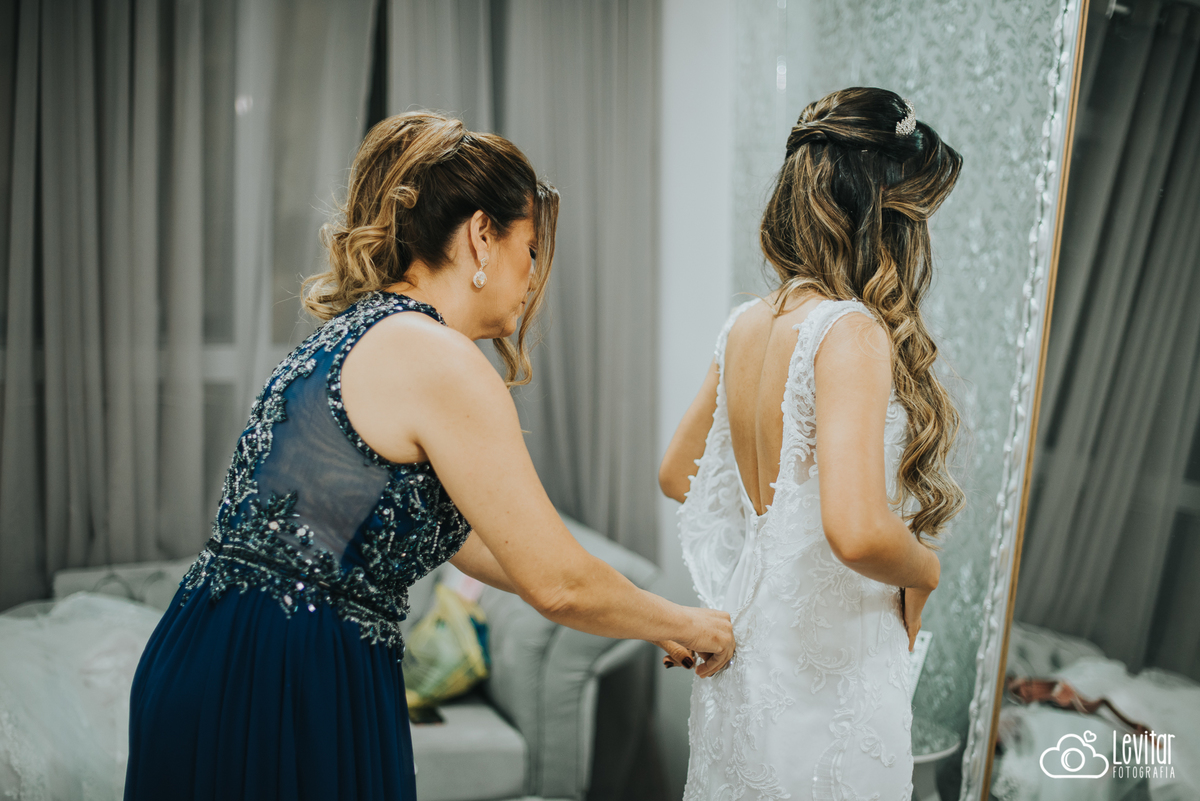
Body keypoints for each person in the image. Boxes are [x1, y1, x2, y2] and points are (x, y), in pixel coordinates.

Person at [124, 111, 733, 801]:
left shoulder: (354, 332)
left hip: (208, 645)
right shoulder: (437, 356)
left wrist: (642, 613)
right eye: (531, 248)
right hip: (289, 674)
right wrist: (690, 623)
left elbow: (482, 543)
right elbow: (555, 581)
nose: (534, 275)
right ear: (482, 235)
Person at [658, 88, 965, 800]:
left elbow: (679, 474)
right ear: (883, 214)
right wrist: (926, 570)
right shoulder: (849, 330)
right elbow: (855, 531)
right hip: (827, 675)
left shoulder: (745, 324)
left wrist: (768, 541)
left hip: (752, 657)